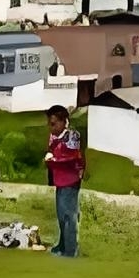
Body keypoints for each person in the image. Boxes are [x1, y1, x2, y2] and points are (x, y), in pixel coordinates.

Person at [44, 104, 84, 258]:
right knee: (61, 216)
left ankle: (70, 249)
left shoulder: (72, 136)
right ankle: (63, 244)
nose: (51, 127)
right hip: (59, 180)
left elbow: (72, 157)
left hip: (70, 180)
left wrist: (54, 160)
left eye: (53, 123)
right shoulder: (53, 137)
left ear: (64, 122)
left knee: (69, 216)